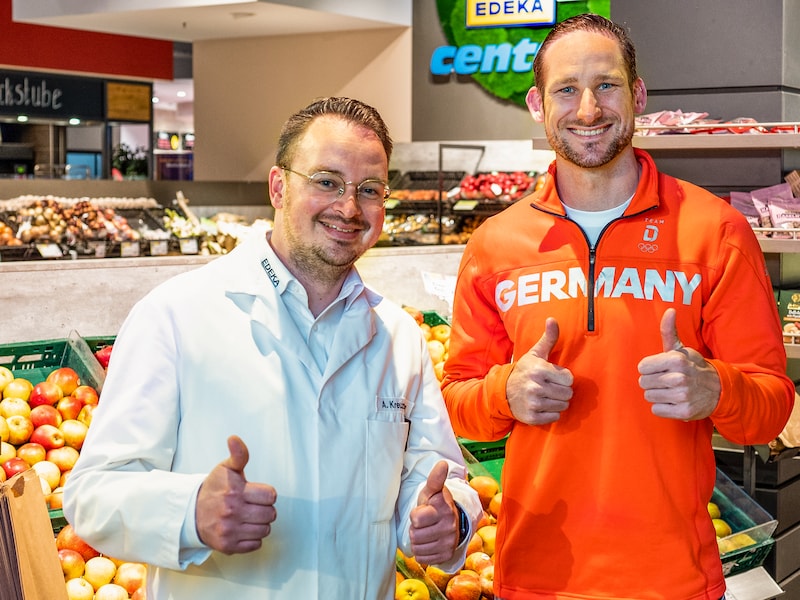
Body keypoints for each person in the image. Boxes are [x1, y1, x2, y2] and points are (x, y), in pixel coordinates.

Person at [63, 97, 482, 600]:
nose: (349, 208)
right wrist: (190, 511)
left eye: (369, 189)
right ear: (279, 187)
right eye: (326, 181)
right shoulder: (175, 316)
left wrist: (447, 518)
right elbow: (93, 493)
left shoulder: (398, 336)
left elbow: (435, 472)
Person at [441, 14, 795, 600]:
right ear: (537, 104)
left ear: (638, 96)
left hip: (672, 578)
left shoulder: (716, 232)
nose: (588, 109)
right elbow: (458, 404)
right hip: (536, 577)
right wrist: (504, 393)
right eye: (566, 89)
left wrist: (717, 389)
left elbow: (771, 407)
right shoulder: (494, 245)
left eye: (606, 85)